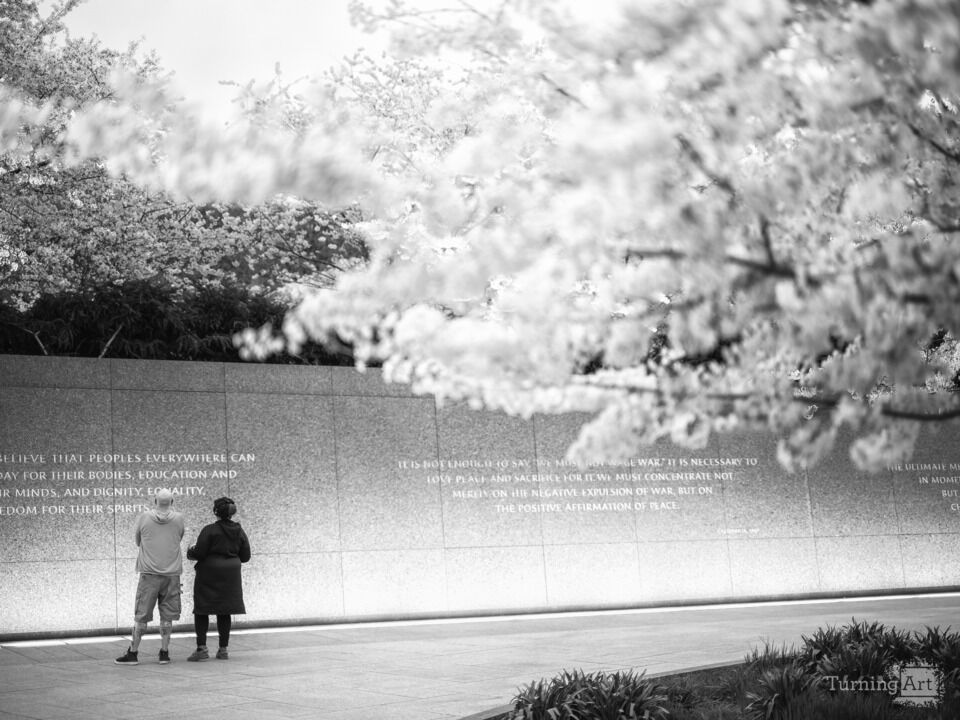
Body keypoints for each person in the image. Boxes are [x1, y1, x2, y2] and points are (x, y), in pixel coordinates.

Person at [115, 488, 185, 666]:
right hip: (172, 575)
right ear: (172, 502)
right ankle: (164, 653)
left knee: (141, 616)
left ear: (155, 501)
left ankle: (133, 653)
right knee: (167, 617)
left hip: (149, 575)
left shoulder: (144, 517)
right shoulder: (179, 518)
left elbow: (138, 542)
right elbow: (179, 538)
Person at [186, 496, 251, 661]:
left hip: (209, 574)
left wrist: (190, 550)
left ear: (216, 512)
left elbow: (199, 553)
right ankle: (223, 650)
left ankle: (201, 648)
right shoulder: (239, 530)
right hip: (231, 576)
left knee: (202, 609)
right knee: (225, 610)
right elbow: (245, 556)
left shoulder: (209, 530)